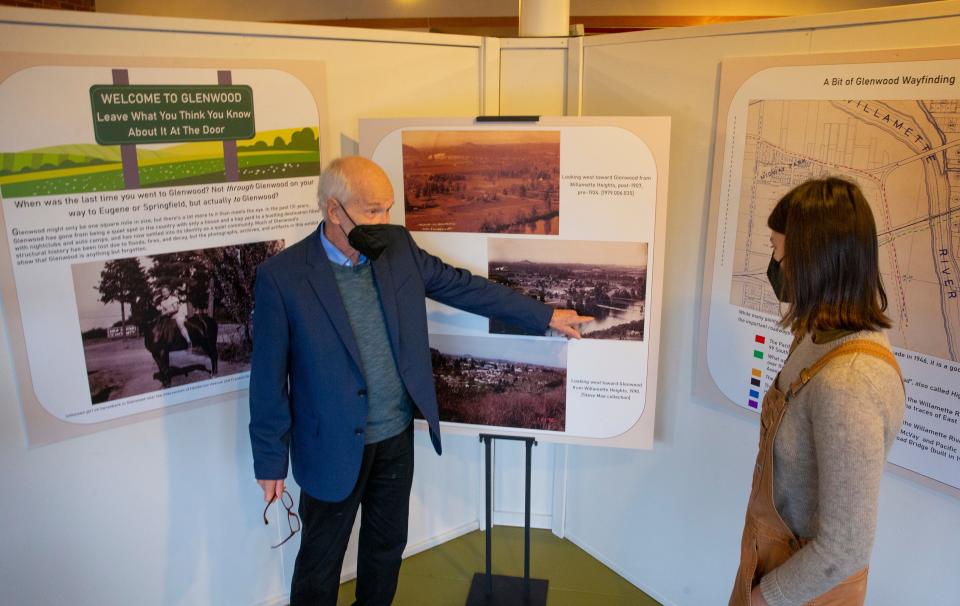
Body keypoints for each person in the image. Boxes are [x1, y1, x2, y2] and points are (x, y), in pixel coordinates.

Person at [248, 156, 592, 606]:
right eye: (372, 210)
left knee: (386, 550)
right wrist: (270, 459)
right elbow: (268, 377)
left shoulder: (397, 250)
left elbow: (465, 288)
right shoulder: (283, 277)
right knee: (319, 563)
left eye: (388, 208)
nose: (385, 221)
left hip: (395, 437)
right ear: (334, 211)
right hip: (329, 445)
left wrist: (545, 315)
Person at [729, 178, 906, 606]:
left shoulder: (850, 383)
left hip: (796, 591)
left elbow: (845, 548)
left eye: (778, 251)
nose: (774, 263)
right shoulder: (816, 336)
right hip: (768, 559)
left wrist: (763, 598)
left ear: (811, 261)